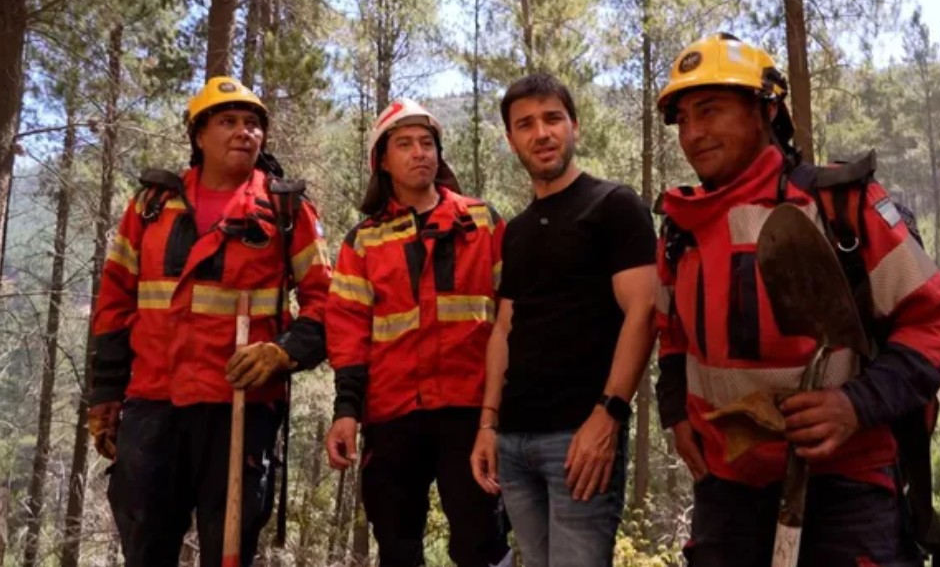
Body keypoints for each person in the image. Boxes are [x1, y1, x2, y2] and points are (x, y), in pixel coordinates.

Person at [653, 33, 940, 566]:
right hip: (726, 492)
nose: (693, 133)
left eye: (709, 110)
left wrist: (855, 404)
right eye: (682, 119)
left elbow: (934, 319)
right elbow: (673, 337)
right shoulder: (681, 229)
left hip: (845, 485)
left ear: (766, 110)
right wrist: (676, 414)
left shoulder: (838, 205)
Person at [87, 76, 332, 567]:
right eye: (228, 122)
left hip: (239, 409)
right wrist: (106, 393)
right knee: (145, 547)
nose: (244, 132)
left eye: (253, 123)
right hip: (153, 407)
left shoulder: (285, 209)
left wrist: (283, 352)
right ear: (198, 135)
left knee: (230, 551)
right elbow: (115, 301)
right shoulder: (150, 206)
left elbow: (328, 303)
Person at [468, 73, 658, 567]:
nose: (541, 133)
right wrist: (489, 424)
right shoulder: (517, 231)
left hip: (578, 440)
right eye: (525, 124)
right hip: (514, 443)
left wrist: (609, 414)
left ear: (575, 125)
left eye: (552, 119)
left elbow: (644, 311)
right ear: (511, 140)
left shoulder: (614, 206)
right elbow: (504, 329)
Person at [324, 98, 512, 567]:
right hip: (392, 416)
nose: (419, 153)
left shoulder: (482, 223)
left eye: (427, 143)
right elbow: (348, 333)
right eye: (405, 144)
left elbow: (514, 318)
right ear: (383, 161)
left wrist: (503, 411)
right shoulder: (364, 241)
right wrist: (346, 411)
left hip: (471, 412)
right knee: (396, 544)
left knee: (482, 542)